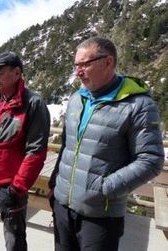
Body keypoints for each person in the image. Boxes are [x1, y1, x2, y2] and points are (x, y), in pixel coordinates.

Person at [49, 37, 165, 251]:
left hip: (100, 216)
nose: (79, 72)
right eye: (76, 65)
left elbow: (151, 160)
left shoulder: (138, 106)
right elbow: (68, 145)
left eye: (85, 64)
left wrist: (104, 188)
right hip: (63, 205)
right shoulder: (77, 98)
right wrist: (55, 184)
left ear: (108, 62)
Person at [0, 51, 50, 251]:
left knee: (14, 242)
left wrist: (17, 188)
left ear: (17, 73)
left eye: (0, 72)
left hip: (9, 186)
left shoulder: (32, 104)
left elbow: (36, 152)